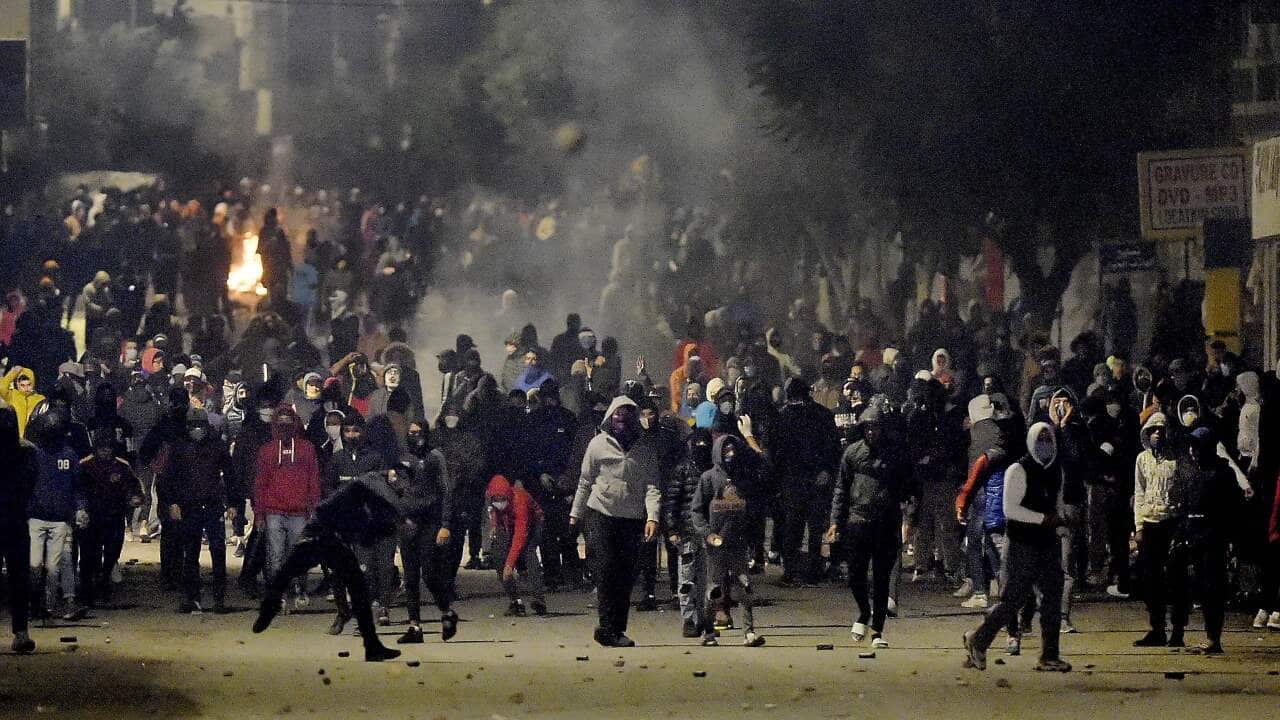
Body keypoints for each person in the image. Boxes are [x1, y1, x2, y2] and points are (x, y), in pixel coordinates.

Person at [963, 422, 1080, 673]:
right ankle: (978, 640)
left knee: (1051, 596)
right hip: (1021, 544)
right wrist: (1044, 519)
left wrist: (1061, 521)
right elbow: (1010, 510)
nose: (1045, 446)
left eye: (1049, 440)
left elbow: (1056, 503)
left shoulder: (1054, 471)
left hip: (1046, 543)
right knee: (1012, 600)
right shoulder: (1018, 469)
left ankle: (1049, 655)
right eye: (1041, 440)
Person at [252, 472, 404, 662]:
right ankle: (269, 611)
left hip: (334, 537)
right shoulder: (353, 499)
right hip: (318, 536)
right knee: (290, 571)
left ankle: (370, 644)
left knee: (355, 584)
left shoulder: (365, 497)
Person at [570, 396, 661, 648]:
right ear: (611, 417)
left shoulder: (645, 449)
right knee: (606, 570)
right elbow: (585, 481)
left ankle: (616, 628)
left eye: (628, 416)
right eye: (618, 415)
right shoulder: (597, 445)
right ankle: (608, 626)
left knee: (626, 575)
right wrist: (575, 513)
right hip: (601, 514)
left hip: (632, 518)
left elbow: (653, 486)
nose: (622, 421)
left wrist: (652, 516)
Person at [826, 401, 906, 648]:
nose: (872, 432)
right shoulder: (852, 453)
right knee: (855, 576)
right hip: (857, 521)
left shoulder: (895, 454)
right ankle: (863, 611)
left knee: (882, 579)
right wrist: (835, 522)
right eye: (868, 427)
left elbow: (907, 487)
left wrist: (909, 519)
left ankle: (877, 631)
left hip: (886, 523)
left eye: (876, 427)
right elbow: (841, 489)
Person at [689, 434, 766, 647]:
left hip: (739, 544)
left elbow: (752, 510)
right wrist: (707, 534)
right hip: (715, 545)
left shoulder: (744, 478)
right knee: (714, 589)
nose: (730, 454)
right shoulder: (708, 478)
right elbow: (696, 511)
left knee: (745, 586)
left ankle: (749, 632)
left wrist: (753, 541)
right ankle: (708, 632)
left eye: (733, 450)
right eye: (726, 450)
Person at [1164, 427, 1236, 653]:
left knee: (1211, 588)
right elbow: (1179, 500)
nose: (1193, 451)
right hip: (1187, 531)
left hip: (1212, 535)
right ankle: (1177, 630)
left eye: (1197, 446)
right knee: (1177, 583)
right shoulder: (1187, 470)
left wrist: (1230, 541)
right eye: (1192, 446)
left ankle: (1213, 637)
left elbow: (1231, 511)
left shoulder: (1223, 473)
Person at [157, 411, 235, 613]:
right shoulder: (179, 446)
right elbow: (167, 478)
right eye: (193, 425)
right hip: (188, 506)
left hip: (212, 504)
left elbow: (230, 474)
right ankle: (191, 598)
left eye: (200, 425)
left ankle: (219, 599)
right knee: (190, 553)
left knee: (218, 551)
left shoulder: (217, 444)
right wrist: (172, 502)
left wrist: (233, 503)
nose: (197, 429)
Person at [770, 377, 841, 585]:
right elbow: (834, 448)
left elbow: (775, 452)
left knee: (794, 525)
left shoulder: (783, 417)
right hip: (812, 478)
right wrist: (826, 470)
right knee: (814, 526)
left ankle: (792, 570)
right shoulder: (822, 415)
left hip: (794, 479)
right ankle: (812, 569)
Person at [392, 432, 459, 644]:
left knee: (429, 573)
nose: (414, 437)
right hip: (408, 523)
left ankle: (447, 611)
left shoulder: (434, 457)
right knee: (410, 577)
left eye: (417, 432)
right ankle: (414, 626)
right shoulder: (402, 458)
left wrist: (445, 525)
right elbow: (396, 491)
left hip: (429, 523)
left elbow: (446, 492)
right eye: (409, 433)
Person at [25, 411, 89, 622]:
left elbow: (78, 487)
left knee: (53, 568)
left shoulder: (69, 455)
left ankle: (48, 610)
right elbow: (24, 486)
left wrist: (80, 508)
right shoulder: (33, 455)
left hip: (60, 520)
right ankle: (35, 603)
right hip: (35, 517)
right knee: (34, 565)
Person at [254, 404, 321, 596]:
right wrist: (259, 514)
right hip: (273, 511)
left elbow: (313, 480)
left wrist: (314, 510)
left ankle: (300, 589)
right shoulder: (266, 451)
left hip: (299, 512)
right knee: (275, 558)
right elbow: (260, 484)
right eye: (280, 422)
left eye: (288, 422)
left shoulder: (307, 449)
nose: (284, 426)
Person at [78, 431, 141, 609]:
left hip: (114, 515)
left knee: (112, 552)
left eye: (108, 449)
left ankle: (104, 582)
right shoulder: (85, 465)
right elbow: (78, 488)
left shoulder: (122, 466)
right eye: (101, 449)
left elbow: (134, 486)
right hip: (92, 517)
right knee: (90, 555)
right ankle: (87, 592)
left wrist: (134, 498)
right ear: (96, 449)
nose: (105, 452)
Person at [666, 429, 714, 637]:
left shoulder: (714, 471)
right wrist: (672, 529)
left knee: (707, 579)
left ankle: (704, 618)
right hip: (686, 534)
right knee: (687, 579)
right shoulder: (683, 469)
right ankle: (688, 618)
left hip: (708, 533)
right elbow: (672, 501)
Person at [0, 408, 38, 652]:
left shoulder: (26, 450)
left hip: (13, 518)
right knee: (19, 579)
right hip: (15, 519)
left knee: (19, 579)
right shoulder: (27, 450)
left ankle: (22, 632)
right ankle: (21, 632)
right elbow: (29, 484)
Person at [486, 474, 548, 617]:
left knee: (529, 554)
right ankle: (515, 601)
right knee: (499, 557)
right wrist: (495, 526)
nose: (499, 502)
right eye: (496, 499)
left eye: (502, 499)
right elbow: (495, 511)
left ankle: (539, 600)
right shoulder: (491, 497)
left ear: (508, 495)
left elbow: (520, 534)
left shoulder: (520, 500)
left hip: (532, 523)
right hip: (507, 522)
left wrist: (510, 564)